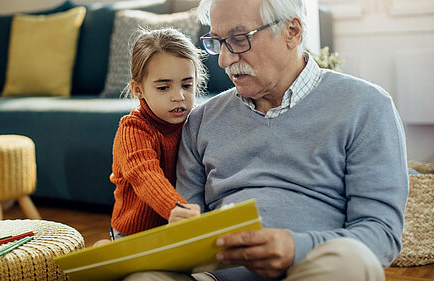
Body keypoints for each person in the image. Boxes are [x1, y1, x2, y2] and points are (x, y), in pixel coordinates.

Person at [122, 0, 409, 280]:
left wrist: (296, 248)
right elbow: (186, 227)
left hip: (311, 268)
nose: (223, 59)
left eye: (237, 38)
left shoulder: (366, 105)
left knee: (352, 263)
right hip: (212, 275)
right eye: (218, 41)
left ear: (292, 32)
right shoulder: (200, 121)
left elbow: (380, 231)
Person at [108, 28, 205, 239]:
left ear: (196, 82)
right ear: (138, 89)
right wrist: (176, 208)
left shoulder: (198, 119)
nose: (178, 97)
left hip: (178, 230)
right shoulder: (133, 130)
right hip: (133, 234)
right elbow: (146, 176)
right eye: (163, 88)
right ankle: (106, 251)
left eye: (187, 85)